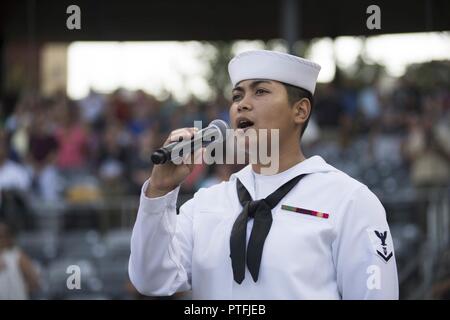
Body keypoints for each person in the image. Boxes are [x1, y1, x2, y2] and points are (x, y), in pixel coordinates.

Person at [129, 50, 399, 299]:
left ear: (300, 110)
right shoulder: (205, 204)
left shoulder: (349, 201)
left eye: (260, 91)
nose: (242, 104)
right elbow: (151, 279)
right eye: (237, 96)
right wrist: (159, 192)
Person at [0, 221, 40, 299]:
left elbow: (34, 282)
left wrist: (18, 290)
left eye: (1, 236)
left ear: (8, 237)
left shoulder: (18, 256)